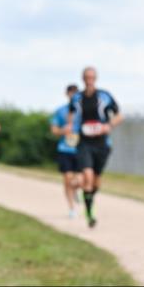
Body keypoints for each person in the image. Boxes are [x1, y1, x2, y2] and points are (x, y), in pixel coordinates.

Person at [71, 67, 122, 227]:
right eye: (86, 77)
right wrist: (70, 132)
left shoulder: (105, 96)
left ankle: (89, 199)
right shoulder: (76, 98)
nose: (89, 80)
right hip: (84, 143)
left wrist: (108, 126)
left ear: (96, 78)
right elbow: (71, 117)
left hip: (102, 144)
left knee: (96, 181)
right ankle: (89, 214)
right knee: (87, 176)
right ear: (83, 79)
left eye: (92, 77)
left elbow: (119, 115)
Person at [51, 84, 83, 218]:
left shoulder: (84, 111)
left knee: (81, 180)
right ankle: (71, 208)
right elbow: (54, 130)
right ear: (67, 94)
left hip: (81, 148)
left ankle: (76, 190)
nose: (73, 95)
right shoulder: (60, 111)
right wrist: (63, 131)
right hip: (65, 149)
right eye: (71, 93)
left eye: (76, 93)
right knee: (67, 179)